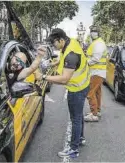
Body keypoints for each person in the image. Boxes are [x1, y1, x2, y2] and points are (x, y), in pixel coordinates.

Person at [35, 28, 90, 158]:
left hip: (76, 89)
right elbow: (68, 60)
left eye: (54, 42)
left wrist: (42, 77)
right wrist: (57, 63)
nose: (53, 45)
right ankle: (80, 138)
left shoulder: (71, 54)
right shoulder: (71, 43)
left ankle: (73, 149)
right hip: (83, 85)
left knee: (75, 118)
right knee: (78, 116)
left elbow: (64, 79)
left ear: (61, 40)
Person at [84, 25, 107, 122]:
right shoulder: (96, 42)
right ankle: (97, 110)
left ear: (98, 33)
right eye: (92, 31)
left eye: (95, 31)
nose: (92, 33)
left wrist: (85, 62)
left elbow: (96, 58)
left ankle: (93, 114)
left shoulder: (99, 43)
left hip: (97, 72)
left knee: (90, 92)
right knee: (97, 92)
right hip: (97, 72)